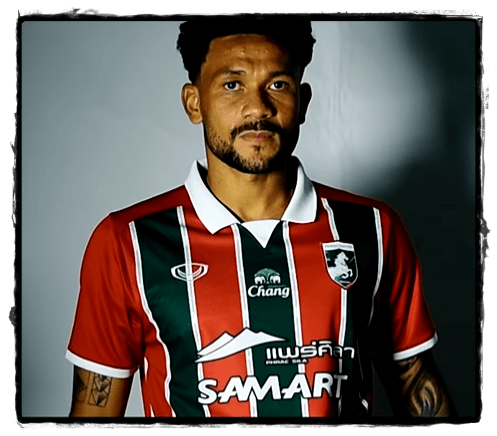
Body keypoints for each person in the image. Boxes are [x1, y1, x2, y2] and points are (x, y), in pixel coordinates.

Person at [66, 16, 453, 418]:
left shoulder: (372, 229)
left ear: (302, 102)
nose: (258, 107)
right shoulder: (128, 242)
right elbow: (93, 418)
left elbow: (421, 399)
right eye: (232, 84)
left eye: (278, 85)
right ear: (194, 103)